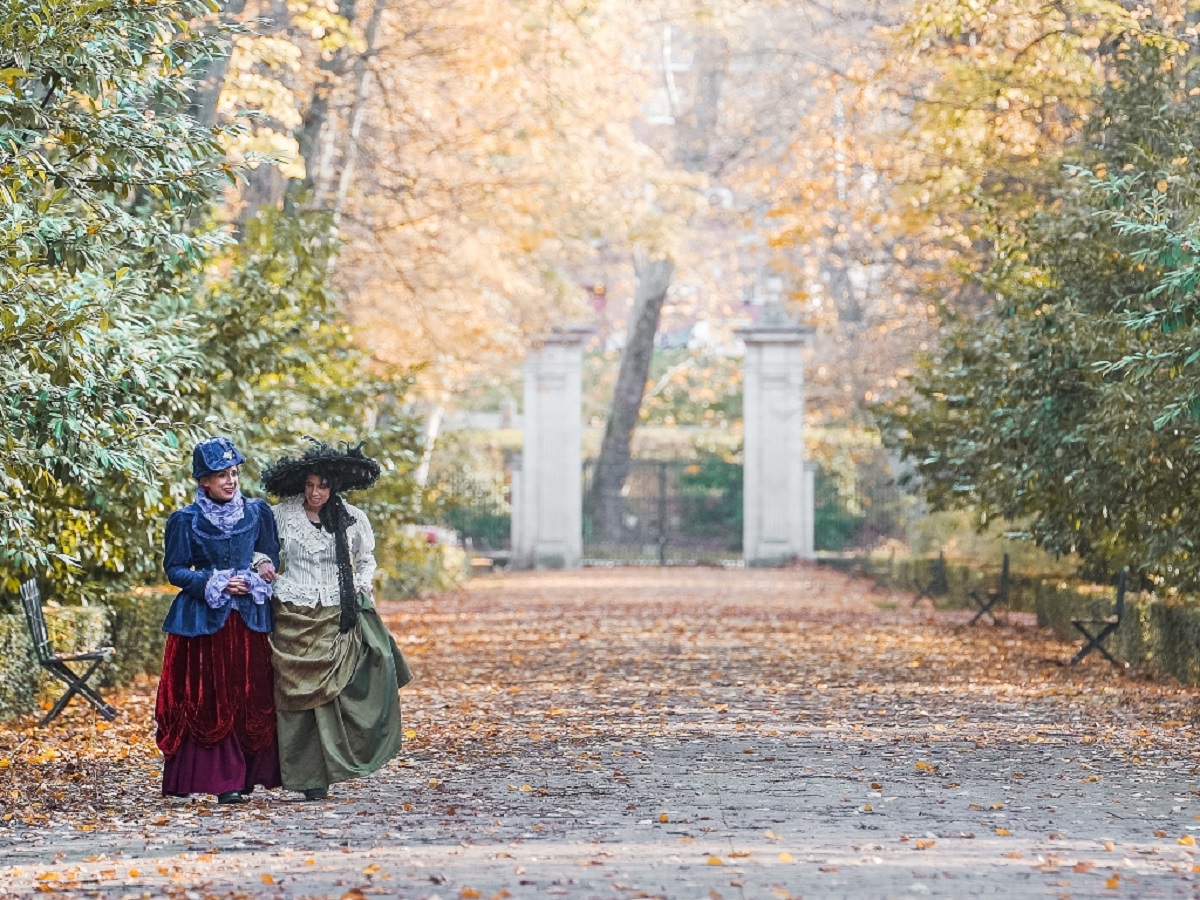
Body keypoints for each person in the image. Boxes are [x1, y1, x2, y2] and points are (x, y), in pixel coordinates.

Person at [260, 441, 413, 801]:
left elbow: (366, 560)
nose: (316, 493)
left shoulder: (352, 518)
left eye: (324, 486)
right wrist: (262, 565)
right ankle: (304, 772)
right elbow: (263, 551)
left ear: (335, 487)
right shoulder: (280, 515)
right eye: (311, 485)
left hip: (337, 611)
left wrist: (361, 584)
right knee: (296, 697)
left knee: (346, 689)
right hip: (293, 612)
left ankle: (332, 768)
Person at [155, 437, 282, 804]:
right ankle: (221, 780)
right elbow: (175, 570)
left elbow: (269, 555)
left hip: (248, 621)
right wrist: (215, 581)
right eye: (221, 475)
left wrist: (259, 572)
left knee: (251, 694)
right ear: (203, 482)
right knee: (212, 698)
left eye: (234, 473)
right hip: (205, 623)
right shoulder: (185, 520)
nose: (230, 481)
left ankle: (247, 775)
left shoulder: (258, 512)